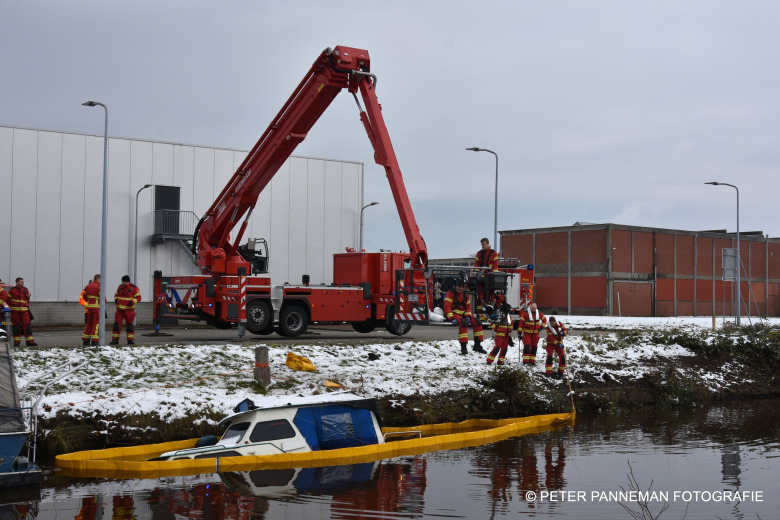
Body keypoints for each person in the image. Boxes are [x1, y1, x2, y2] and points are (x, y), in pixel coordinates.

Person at [443, 279, 485, 355]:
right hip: (453, 313)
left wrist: (468, 315)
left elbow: (468, 307)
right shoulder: (450, 293)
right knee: (463, 323)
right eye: (457, 289)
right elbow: (447, 307)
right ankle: (463, 347)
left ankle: (477, 345)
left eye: (460, 289)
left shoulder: (465, 294)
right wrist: (451, 318)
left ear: (463, 288)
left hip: (463, 313)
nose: (458, 290)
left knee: (478, 323)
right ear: (456, 287)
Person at [111, 275, 141, 345]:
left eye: (123, 281)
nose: (122, 282)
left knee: (129, 326)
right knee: (116, 325)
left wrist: (133, 301)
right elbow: (116, 295)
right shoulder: (120, 287)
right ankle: (115, 340)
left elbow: (139, 298)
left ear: (127, 282)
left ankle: (130, 340)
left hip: (129, 310)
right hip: (119, 310)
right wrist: (116, 299)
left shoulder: (134, 288)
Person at [7, 277, 37, 346]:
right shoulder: (12, 290)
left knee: (27, 326)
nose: (22, 283)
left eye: (23, 282)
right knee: (15, 327)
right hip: (15, 312)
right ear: (17, 282)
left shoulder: (25, 289)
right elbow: (8, 300)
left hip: (24, 312)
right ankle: (16, 342)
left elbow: (27, 300)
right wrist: (12, 307)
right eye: (21, 282)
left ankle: (30, 342)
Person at [82, 275, 101, 346]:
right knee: (96, 324)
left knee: (88, 324)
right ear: (98, 279)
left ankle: (85, 340)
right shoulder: (99, 287)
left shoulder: (87, 286)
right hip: (97, 308)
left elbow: (84, 297)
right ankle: (94, 341)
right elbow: (103, 299)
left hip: (89, 308)